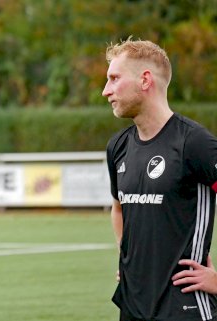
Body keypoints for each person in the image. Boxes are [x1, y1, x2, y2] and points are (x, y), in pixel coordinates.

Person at [102, 37, 217, 321]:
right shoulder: (118, 147)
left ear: (144, 80)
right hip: (132, 306)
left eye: (114, 79)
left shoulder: (194, 143)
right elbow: (119, 207)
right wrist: (130, 259)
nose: (106, 91)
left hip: (184, 308)